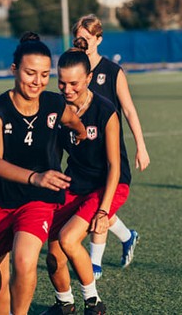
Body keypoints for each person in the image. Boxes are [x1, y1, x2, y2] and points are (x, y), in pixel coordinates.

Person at [0, 32, 86, 315]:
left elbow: (73, 119)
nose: (37, 81)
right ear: (14, 70)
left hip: (36, 199)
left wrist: (81, 134)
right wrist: (35, 176)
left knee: (24, 262)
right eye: (30, 73)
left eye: (45, 74)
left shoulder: (53, 104)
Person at [42, 38, 124, 315]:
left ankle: (94, 303)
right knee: (53, 251)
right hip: (74, 182)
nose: (67, 89)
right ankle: (64, 304)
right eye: (62, 83)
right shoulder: (56, 108)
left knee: (68, 239)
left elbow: (115, 166)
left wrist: (103, 211)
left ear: (89, 78)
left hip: (108, 184)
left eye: (74, 83)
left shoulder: (105, 111)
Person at [72, 14, 150, 279]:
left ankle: (94, 266)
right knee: (92, 204)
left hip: (109, 153)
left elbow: (128, 109)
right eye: (78, 38)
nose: (83, 43)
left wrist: (141, 146)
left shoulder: (112, 72)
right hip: (83, 155)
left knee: (100, 206)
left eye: (87, 39)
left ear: (98, 39)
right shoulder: (75, 71)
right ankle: (128, 237)